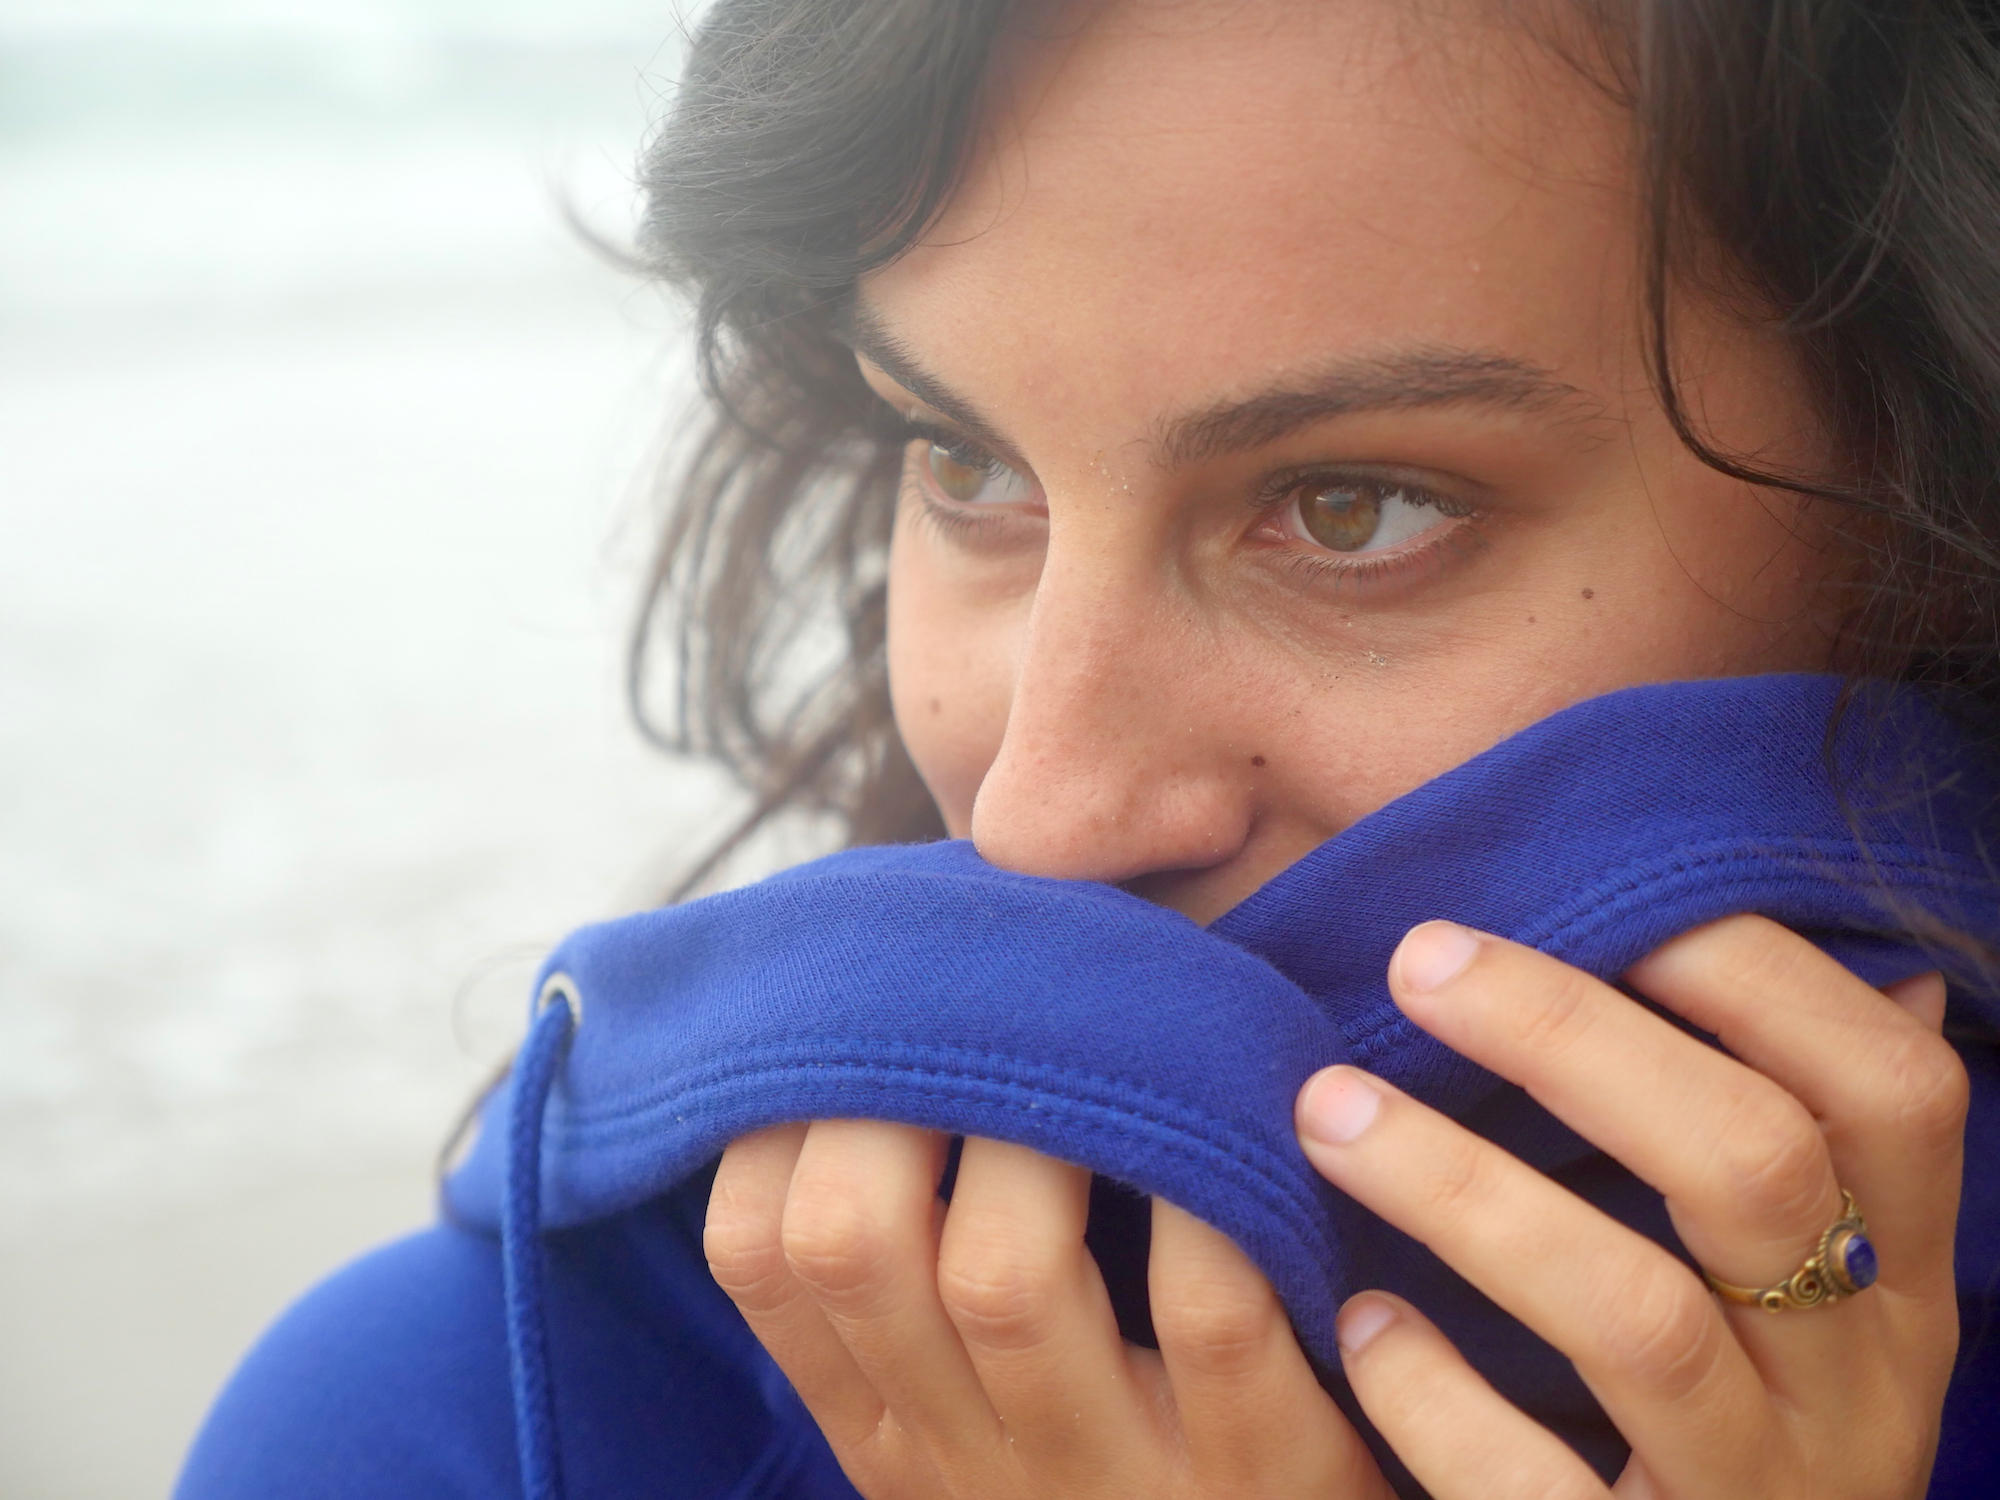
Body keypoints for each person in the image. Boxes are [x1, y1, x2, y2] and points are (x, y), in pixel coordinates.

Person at [176, 1, 2000, 1497]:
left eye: (1353, 508)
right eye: (966, 463)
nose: (1039, 813)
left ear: (1922, 508)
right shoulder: (462, 1429)